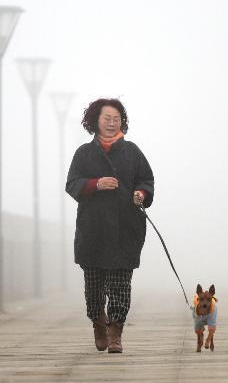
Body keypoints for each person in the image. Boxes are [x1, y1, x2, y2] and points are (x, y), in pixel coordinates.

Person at [65, 98, 154, 354]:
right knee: (93, 288)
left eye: (116, 118)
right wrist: (96, 184)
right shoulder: (83, 153)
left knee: (120, 285)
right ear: (95, 121)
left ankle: (116, 332)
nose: (112, 123)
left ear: (121, 121)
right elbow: (72, 184)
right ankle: (98, 322)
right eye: (107, 118)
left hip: (126, 229)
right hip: (92, 230)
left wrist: (141, 194)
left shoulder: (133, 151)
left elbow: (146, 181)